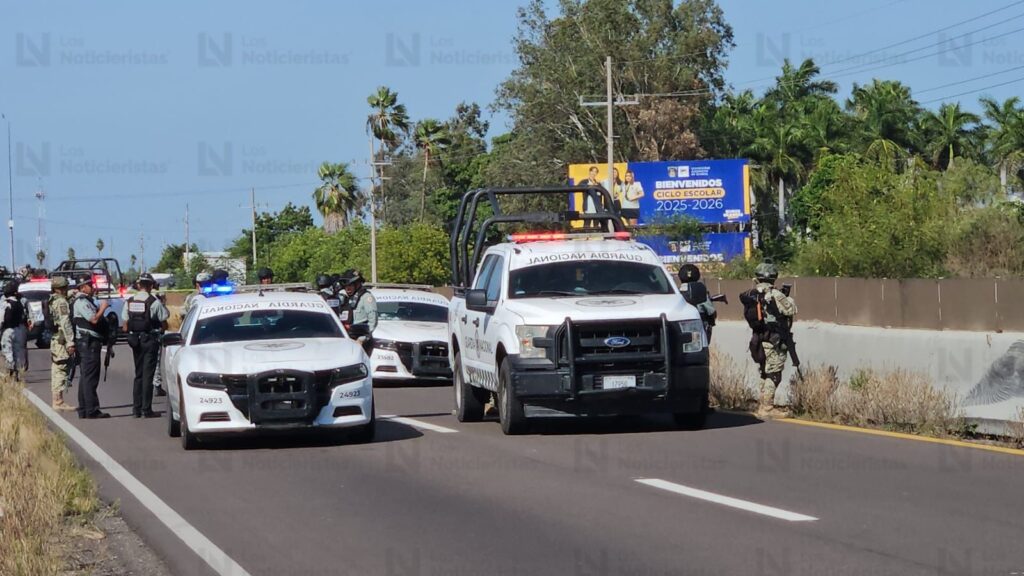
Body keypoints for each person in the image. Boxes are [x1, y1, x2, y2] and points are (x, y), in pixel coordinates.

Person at [739, 262, 797, 418]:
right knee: (774, 373)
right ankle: (767, 408)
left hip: (758, 338)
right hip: (774, 339)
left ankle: (762, 404)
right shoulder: (775, 294)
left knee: (765, 371)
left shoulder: (752, 293)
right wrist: (787, 297)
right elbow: (791, 309)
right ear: (774, 277)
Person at [121, 273, 168, 418]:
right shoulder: (154, 302)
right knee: (148, 375)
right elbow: (164, 321)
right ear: (151, 286)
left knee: (139, 375)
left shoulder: (129, 301)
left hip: (135, 340)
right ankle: (146, 409)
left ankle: (136, 409)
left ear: (139, 285)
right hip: (150, 340)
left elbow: (124, 326)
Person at [72, 276, 111, 419]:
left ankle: (84, 408)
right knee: (90, 377)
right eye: (89, 285)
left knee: (85, 376)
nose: (92, 287)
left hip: (87, 342)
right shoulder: (81, 302)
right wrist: (103, 308)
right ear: (82, 288)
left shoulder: (86, 301)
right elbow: (93, 319)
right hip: (88, 343)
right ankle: (91, 409)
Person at [48, 276, 77, 411]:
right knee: (61, 369)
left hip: (55, 339)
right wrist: (70, 342)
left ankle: (56, 399)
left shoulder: (53, 299)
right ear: (62, 288)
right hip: (61, 340)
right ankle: (58, 401)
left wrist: (73, 294)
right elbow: (65, 322)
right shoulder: (61, 303)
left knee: (56, 369)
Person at [338, 269, 377, 349]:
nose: (347, 289)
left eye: (350, 285)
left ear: (358, 284)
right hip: (347, 338)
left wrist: (362, 339)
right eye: (346, 286)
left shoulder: (366, 297)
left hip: (361, 340)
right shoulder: (345, 298)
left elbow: (373, 321)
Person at [678, 264, 717, 343]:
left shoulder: (676, 292)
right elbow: (711, 312)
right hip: (699, 330)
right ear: (697, 276)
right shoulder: (701, 292)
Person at [0, 281, 28, 377]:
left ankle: (10, 372)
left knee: (7, 351)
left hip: (7, 330)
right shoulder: (19, 303)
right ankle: (18, 372)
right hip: (18, 329)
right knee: (17, 352)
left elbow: (1, 319)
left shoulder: (5, 303)